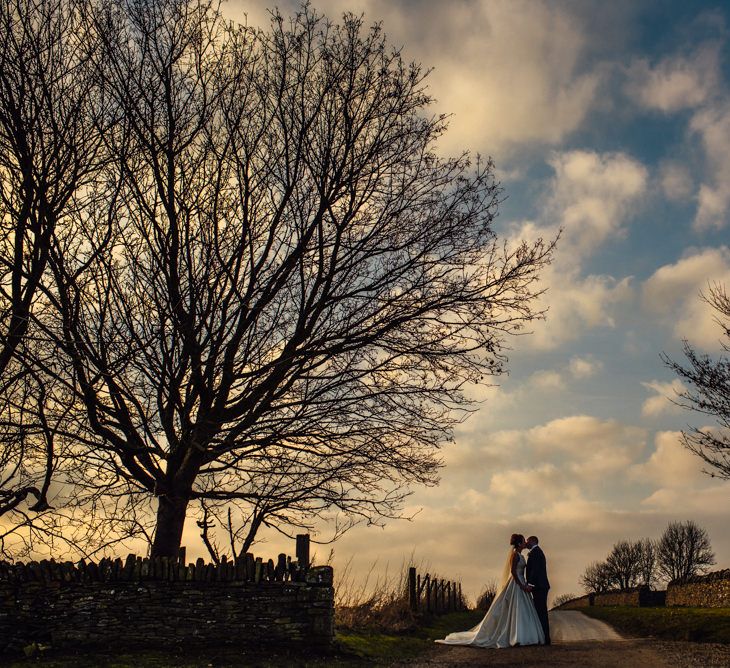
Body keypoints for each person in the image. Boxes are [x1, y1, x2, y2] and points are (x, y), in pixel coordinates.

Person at [435, 533, 545, 648]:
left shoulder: (521, 556)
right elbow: (513, 572)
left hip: (522, 583)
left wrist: (525, 584)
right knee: (515, 608)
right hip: (516, 584)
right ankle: (516, 636)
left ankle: (523, 635)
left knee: (523, 610)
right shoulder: (515, 555)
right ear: (519, 543)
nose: (525, 543)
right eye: (523, 541)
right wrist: (521, 585)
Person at [525, 535, 551, 645]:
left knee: (541, 612)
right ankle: (543, 637)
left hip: (539, 587)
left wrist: (530, 584)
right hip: (540, 586)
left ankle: (545, 638)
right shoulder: (536, 552)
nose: (526, 543)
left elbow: (535, 570)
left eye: (527, 541)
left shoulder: (535, 552)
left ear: (532, 541)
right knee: (540, 612)